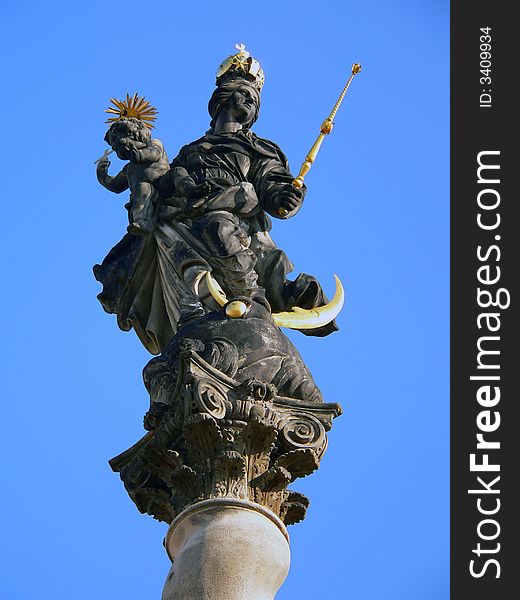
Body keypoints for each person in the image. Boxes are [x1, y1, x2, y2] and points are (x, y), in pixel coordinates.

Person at [94, 49, 336, 355]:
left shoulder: (259, 149)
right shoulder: (194, 149)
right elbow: (166, 181)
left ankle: (257, 298)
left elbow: (272, 183)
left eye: (254, 98)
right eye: (243, 94)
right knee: (186, 229)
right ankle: (198, 306)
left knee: (222, 229)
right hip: (186, 214)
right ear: (223, 98)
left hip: (232, 215)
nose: (250, 101)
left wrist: (286, 197)